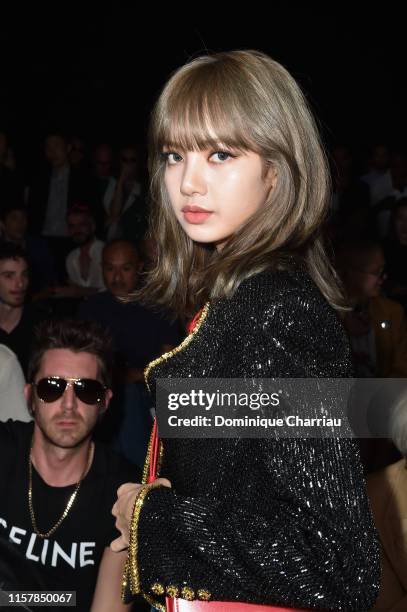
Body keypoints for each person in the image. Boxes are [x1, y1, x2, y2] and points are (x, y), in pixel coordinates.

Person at [111, 50, 380, 611]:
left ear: (277, 171)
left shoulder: (277, 313)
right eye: (173, 155)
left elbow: (336, 561)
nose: (188, 182)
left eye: (220, 154)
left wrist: (152, 518)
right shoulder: (236, 301)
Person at [0, 318, 137, 612]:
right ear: (30, 397)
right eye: (52, 387)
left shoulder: (122, 492)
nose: (69, 404)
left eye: (86, 390)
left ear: (105, 402)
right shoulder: (4, 451)